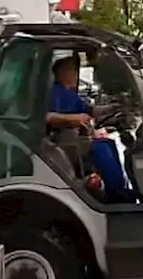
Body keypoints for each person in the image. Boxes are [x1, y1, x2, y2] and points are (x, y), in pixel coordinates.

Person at [46, 56, 131, 202]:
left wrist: (114, 107)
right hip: (63, 141)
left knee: (108, 143)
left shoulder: (70, 95)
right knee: (102, 149)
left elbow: (90, 110)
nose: (77, 75)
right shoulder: (54, 93)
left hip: (76, 139)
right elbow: (47, 117)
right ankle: (117, 195)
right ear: (62, 73)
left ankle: (120, 189)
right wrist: (74, 119)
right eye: (73, 71)